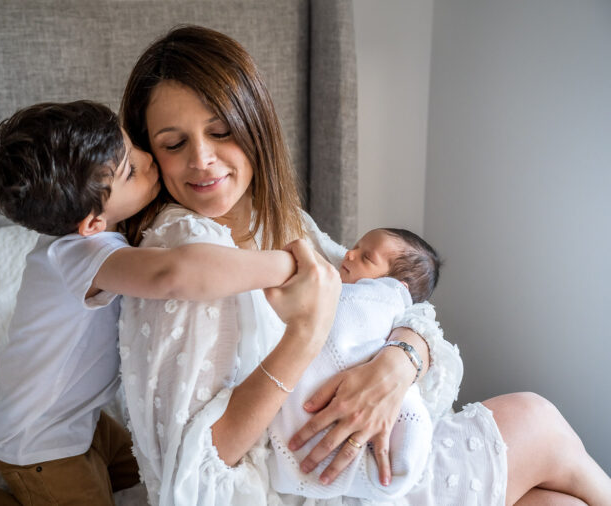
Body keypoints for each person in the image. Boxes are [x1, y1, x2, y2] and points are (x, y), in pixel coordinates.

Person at [118, 25, 611, 506]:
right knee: (536, 422)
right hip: (301, 484)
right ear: (148, 155)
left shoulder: (287, 224)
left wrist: (398, 363)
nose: (202, 159)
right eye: (174, 143)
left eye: (221, 131)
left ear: (255, 125)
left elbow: (397, 299)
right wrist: (304, 337)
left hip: (359, 465)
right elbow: (192, 478)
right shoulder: (179, 258)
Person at [0, 100, 310, 506]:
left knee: (144, 464)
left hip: (70, 416)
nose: (150, 161)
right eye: (131, 171)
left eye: (134, 147)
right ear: (92, 223)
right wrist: (285, 265)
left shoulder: (75, 237)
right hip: (43, 443)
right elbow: (174, 275)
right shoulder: (82, 255)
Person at [268, 228, 442, 501]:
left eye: (366, 257)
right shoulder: (339, 276)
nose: (348, 254)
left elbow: (424, 335)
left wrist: (398, 361)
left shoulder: (381, 298)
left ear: (398, 286)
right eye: (355, 247)